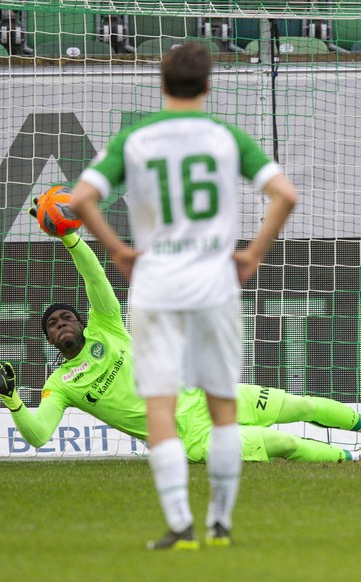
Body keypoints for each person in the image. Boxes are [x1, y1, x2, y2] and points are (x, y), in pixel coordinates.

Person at [67, 42, 297, 550]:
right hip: (213, 282)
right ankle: (220, 522)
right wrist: (253, 254)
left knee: (160, 406)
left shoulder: (136, 138)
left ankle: (178, 524)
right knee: (221, 407)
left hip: (157, 285)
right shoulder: (226, 136)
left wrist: (122, 252)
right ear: (208, 85)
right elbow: (285, 195)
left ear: (162, 83)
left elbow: (81, 199)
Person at [0, 228, 361, 461]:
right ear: (49, 339)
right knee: (282, 444)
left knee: (300, 403)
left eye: (66, 316)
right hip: (191, 435)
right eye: (51, 325)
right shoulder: (60, 383)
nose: (60, 324)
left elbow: (95, 278)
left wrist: (70, 237)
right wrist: (12, 399)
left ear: (82, 322)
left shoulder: (107, 328)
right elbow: (38, 435)